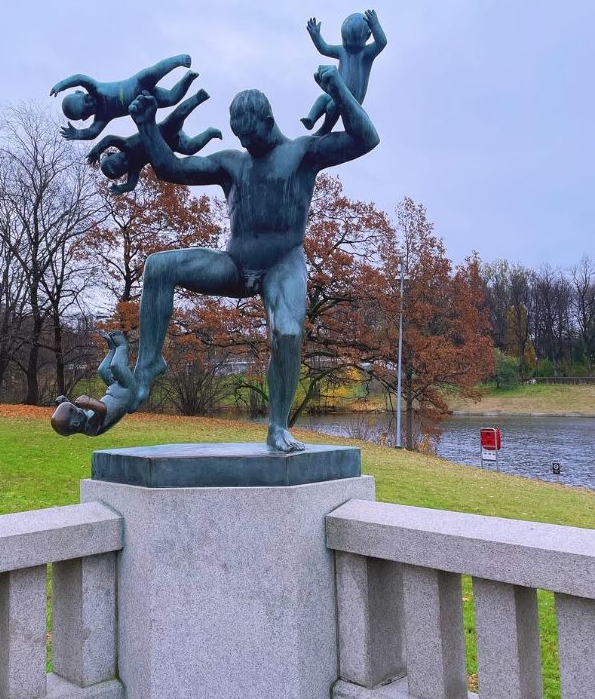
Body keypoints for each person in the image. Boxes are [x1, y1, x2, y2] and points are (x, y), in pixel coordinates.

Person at [125, 64, 379, 451]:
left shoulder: (303, 152)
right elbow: (170, 168)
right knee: (159, 266)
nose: (246, 144)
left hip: (283, 263)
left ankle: (277, 427)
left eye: (251, 135)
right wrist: (146, 125)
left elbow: (367, 139)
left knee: (288, 333)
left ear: (269, 121)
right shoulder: (232, 163)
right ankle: (146, 367)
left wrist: (339, 89)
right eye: (240, 137)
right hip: (235, 264)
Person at [83, 89, 222, 194]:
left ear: (113, 154)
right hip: (171, 145)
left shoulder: (125, 144)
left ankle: (198, 97)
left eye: (120, 160)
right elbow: (131, 185)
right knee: (190, 148)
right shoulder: (135, 168)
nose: (125, 162)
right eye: (123, 167)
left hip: (163, 130)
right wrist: (120, 188)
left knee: (178, 116)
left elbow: (108, 139)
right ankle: (210, 133)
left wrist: (96, 150)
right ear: (125, 171)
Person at [50, 54, 197, 141]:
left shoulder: (96, 88)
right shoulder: (103, 116)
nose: (91, 104)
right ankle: (188, 78)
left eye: (86, 101)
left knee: (154, 72)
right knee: (171, 98)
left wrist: (62, 85)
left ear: (81, 93)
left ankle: (177, 61)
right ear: (85, 117)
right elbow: (93, 132)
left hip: (136, 83)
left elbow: (80, 78)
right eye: (87, 110)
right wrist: (78, 133)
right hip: (145, 100)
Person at [301, 10, 387, 135]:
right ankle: (311, 119)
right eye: (345, 40)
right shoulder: (342, 51)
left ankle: (325, 128)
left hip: (353, 97)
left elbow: (382, 42)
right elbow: (324, 49)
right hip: (337, 91)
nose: (347, 44)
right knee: (323, 98)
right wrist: (316, 35)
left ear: (367, 37)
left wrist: (375, 25)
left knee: (332, 106)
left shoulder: (366, 54)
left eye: (352, 41)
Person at [51, 331, 137, 437]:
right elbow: (101, 409)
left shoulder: (82, 420)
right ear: (76, 424)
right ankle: (122, 346)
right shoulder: (91, 428)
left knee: (102, 370)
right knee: (116, 366)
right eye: (76, 410)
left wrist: (64, 403)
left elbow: (77, 412)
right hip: (126, 391)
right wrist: (88, 402)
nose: (79, 409)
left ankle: (112, 350)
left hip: (114, 388)